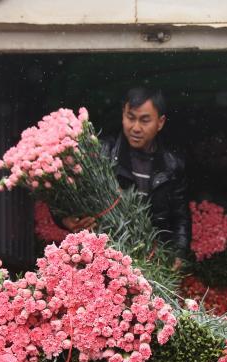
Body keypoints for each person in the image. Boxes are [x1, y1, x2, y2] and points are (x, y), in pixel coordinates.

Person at [63, 87, 190, 265]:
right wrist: (65, 219)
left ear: (160, 122)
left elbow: (180, 216)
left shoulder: (172, 166)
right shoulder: (100, 154)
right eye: (131, 118)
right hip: (103, 257)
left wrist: (179, 254)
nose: (136, 128)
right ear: (123, 115)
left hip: (153, 258)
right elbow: (66, 194)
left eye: (145, 120)